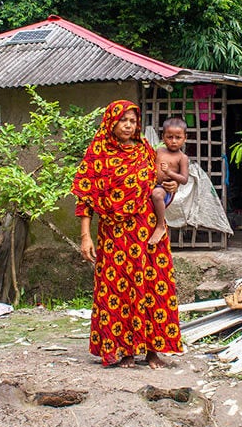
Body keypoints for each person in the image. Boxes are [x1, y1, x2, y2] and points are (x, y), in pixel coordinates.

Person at [71, 100, 183, 369]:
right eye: (124, 120)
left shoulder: (145, 149)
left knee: (153, 288)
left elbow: (157, 185)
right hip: (115, 235)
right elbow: (86, 198)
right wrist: (86, 236)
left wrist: (170, 188)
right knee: (118, 291)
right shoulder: (97, 154)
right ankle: (125, 351)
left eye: (133, 121)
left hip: (148, 233)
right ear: (111, 121)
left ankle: (153, 350)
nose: (129, 125)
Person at [148, 118, 189, 245]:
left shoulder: (182, 158)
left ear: (185, 138)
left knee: (157, 194)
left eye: (178, 137)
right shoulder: (158, 151)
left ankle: (160, 225)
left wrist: (170, 173)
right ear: (163, 137)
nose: (174, 141)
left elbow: (184, 179)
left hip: (165, 188)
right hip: (151, 184)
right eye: (169, 137)